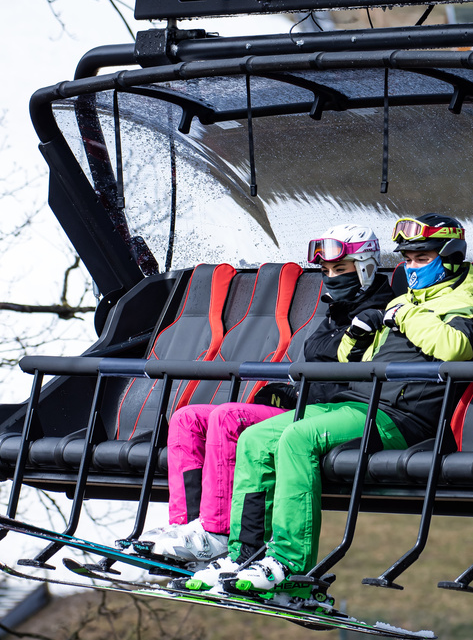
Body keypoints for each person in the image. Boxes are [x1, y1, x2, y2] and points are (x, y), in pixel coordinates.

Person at [186, 212, 473, 597]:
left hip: (400, 418)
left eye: (422, 259)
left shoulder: (464, 306)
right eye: (407, 260)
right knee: (255, 438)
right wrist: (359, 334)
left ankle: (288, 562)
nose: (411, 268)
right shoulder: (404, 302)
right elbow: (351, 363)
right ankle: (244, 554)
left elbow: (457, 349)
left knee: (297, 439)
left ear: (449, 258)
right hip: (357, 404)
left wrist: (406, 314)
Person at [134, 224, 392, 564]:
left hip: (330, 414)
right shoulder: (336, 313)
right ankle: (187, 530)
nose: (331, 277)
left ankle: (217, 532)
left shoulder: (379, 314)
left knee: (229, 418)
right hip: (304, 404)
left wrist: (301, 393)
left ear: (365, 266)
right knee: (187, 419)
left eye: (340, 269)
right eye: (326, 270)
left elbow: (346, 381)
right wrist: (286, 393)